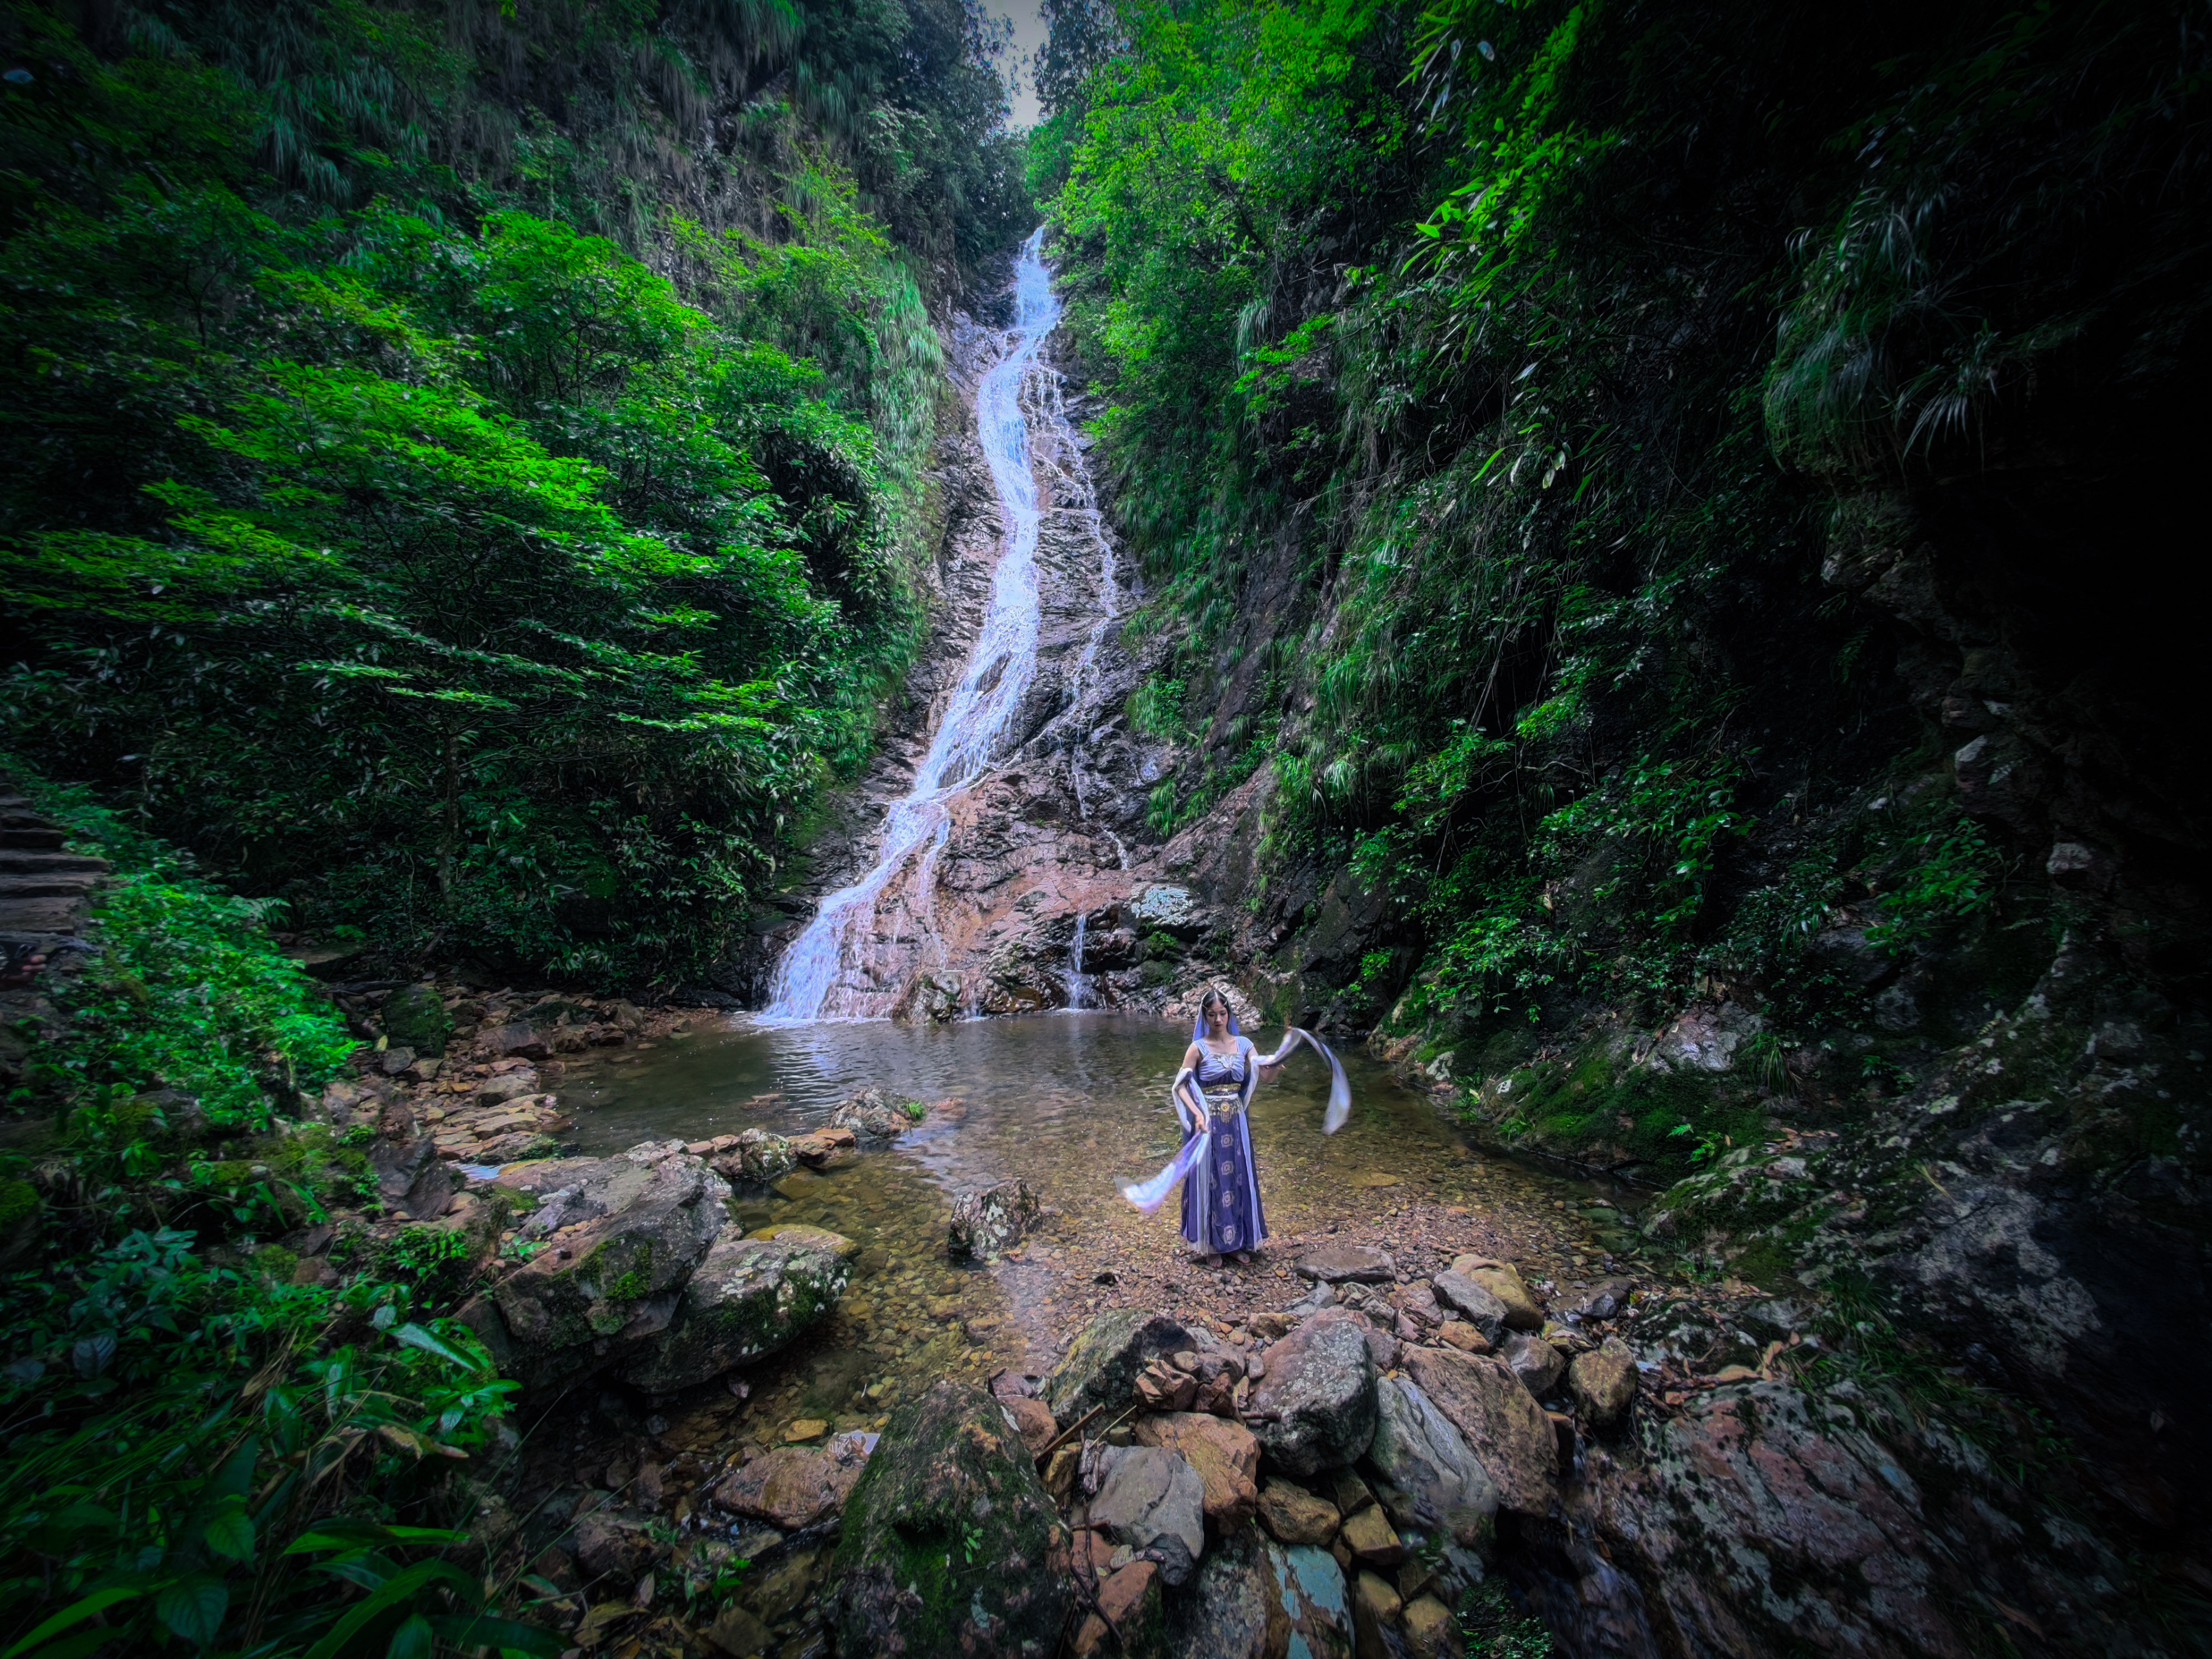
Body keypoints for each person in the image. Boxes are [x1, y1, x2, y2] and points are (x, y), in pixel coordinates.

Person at [1120, 986, 1352, 1269]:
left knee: (1238, 1178)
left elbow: (1265, 1076)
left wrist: (1278, 1063)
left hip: (1236, 1123)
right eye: (1212, 1015)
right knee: (1211, 1179)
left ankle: (1236, 1243)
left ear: (1229, 1013)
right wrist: (1197, 1114)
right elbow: (1181, 1086)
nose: (1218, 1020)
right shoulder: (1197, 1048)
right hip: (1209, 1123)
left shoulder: (1244, 1045)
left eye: (1222, 1013)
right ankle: (1212, 1245)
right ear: (1204, 1016)